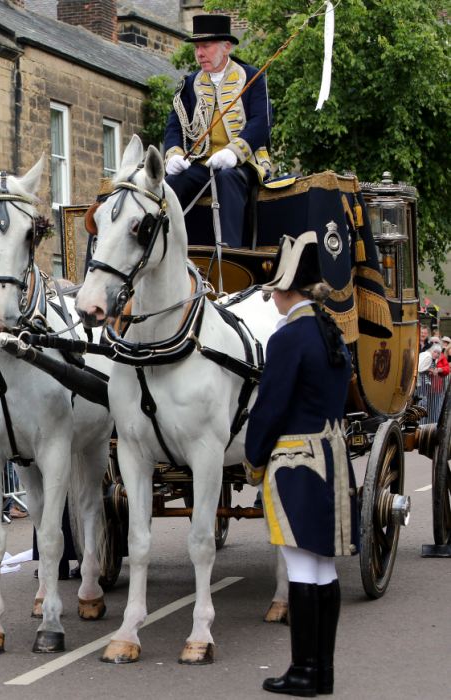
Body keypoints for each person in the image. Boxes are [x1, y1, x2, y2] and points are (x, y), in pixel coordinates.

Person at [246, 232, 357, 697]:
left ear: (288, 289)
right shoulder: (330, 330)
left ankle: (303, 671)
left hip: (296, 461)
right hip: (331, 458)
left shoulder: (289, 336)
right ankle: (320, 671)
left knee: (299, 568)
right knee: (322, 567)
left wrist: (253, 458)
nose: (270, 296)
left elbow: (269, 407)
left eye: (274, 288)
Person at [163, 14, 273, 248]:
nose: (199, 53)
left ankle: (230, 251)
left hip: (245, 163)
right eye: (197, 47)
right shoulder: (188, 84)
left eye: (206, 46)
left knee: (227, 177)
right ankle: (167, 247)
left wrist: (234, 152)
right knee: (173, 182)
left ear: (226, 47)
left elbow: (261, 123)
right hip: (201, 162)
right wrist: (173, 154)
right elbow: (174, 125)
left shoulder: (252, 77)